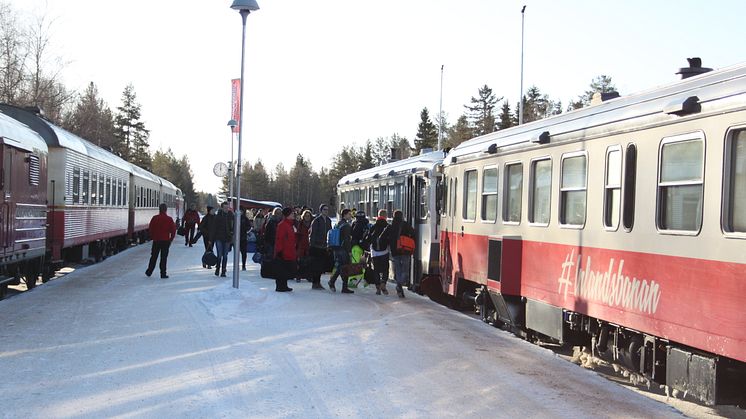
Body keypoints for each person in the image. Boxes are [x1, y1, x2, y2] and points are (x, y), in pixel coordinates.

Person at [384, 209, 415, 298]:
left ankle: (399, 285)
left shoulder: (390, 226)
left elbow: (386, 237)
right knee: (405, 270)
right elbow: (413, 233)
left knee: (398, 268)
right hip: (405, 250)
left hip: (394, 251)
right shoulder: (405, 225)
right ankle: (400, 284)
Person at [145, 203, 177, 279]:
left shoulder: (155, 218)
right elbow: (173, 230)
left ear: (159, 209)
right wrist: (171, 239)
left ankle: (149, 271)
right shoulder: (169, 219)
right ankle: (163, 273)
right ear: (166, 210)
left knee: (153, 256)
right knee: (163, 258)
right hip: (165, 241)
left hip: (156, 240)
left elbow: (150, 229)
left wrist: (153, 237)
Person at [328, 208, 354, 294]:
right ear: (345, 215)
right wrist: (349, 251)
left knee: (340, 266)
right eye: (349, 214)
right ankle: (342, 286)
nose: (350, 216)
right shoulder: (346, 226)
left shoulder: (338, 224)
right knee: (345, 267)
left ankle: (335, 282)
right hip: (343, 249)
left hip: (337, 248)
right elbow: (347, 240)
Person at [308, 204, 332, 290]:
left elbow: (330, 232)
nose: (326, 211)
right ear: (321, 210)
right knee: (316, 265)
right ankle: (315, 282)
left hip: (324, 246)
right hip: (316, 246)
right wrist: (312, 244)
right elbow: (313, 234)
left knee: (321, 265)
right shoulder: (316, 221)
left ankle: (318, 282)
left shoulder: (328, 220)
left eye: (327, 210)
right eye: (324, 209)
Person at [273, 207, 297, 292]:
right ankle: (280, 286)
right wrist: (279, 251)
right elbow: (279, 238)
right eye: (292, 213)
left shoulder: (290, 225)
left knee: (286, 269)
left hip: (289, 250)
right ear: (287, 215)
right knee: (281, 269)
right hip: (283, 251)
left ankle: (284, 285)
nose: (293, 214)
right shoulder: (282, 225)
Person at [367, 209, 390, 295]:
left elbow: (368, 238)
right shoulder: (387, 226)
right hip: (384, 251)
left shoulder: (373, 226)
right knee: (385, 269)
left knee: (376, 269)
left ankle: (377, 287)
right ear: (386, 216)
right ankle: (383, 283)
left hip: (374, 252)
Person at [209, 202, 234, 277]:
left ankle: (223, 270)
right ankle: (217, 268)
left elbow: (233, 226)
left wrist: (232, 235)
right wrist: (211, 239)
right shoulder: (218, 216)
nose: (226, 209)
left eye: (227, 207)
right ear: (222, 208)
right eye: (225, 207)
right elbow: (214, 228)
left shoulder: (231, 215)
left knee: (225, 255)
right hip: (219, 238)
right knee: (219, 255)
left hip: (227, 238)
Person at [295, 209, 313, 282]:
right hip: (301, 244)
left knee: (308, 262)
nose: (307, 217)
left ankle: (308, 276)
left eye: (308, 216)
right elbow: (298, 234)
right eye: (306, 216)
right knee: (300, 261)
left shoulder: (312, 224)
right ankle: (298, 275)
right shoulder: (300, 224)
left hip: (309, 244)